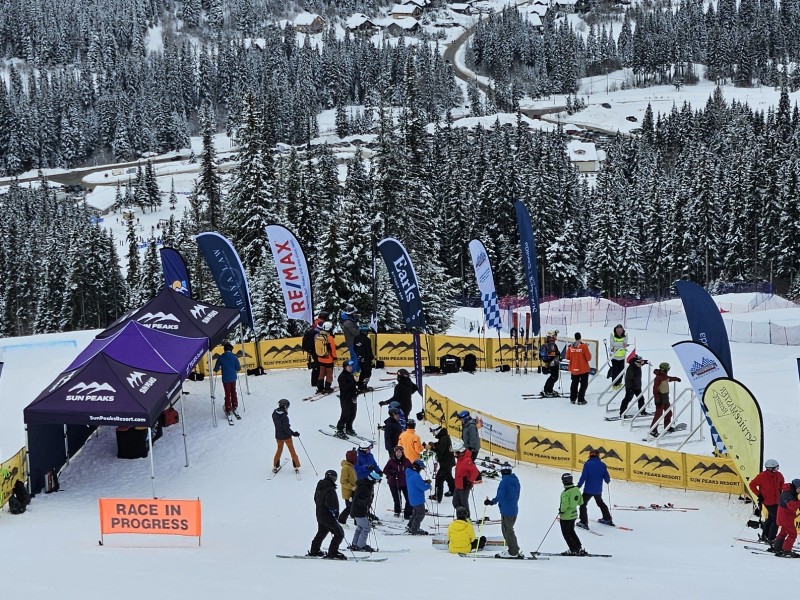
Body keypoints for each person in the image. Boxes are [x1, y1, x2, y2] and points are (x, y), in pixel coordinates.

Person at [485, 463, 522, 558]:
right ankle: (513, 549)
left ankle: (513, 552)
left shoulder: (505, 481)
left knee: (507, 531)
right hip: (513, 509)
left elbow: (500, 496)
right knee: (508, 530)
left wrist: (491, 502)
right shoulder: (515, 480)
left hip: (506, 510)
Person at [308, 470, 347, 560]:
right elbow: (330, 502)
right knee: (339, 533)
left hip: (320, 514)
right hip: (328, 516)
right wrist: (333, 511)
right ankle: (332, 553)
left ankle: (315, 550)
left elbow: (315, 499)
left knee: (321, 533)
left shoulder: (320, 487)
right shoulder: (330, 489)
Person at [749, 459, 784, 544]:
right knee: (776, 519)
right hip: (768, 501)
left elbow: (782, 484)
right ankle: (771, 538)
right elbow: (752, 485)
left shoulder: (779, 475)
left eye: (777, 468)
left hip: (777, 500)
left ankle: (765, 536)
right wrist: (759, 494)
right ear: (769, 468)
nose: (777, 470)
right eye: (775, 468)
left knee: (771, 519)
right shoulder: (762, 476)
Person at [577, 450, 613, 529]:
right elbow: (606, 477)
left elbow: (584, 476)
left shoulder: (587, 464)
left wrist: (579, 485)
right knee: (600, 502)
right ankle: (607, 518)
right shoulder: (602, 465)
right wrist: (607, 480)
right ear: (598, 456)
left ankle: (583, 522)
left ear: (590, 456)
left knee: (583, 504)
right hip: (598, 490)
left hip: (588, 490)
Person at [349, 470, 382, 552]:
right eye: (376, 481)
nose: (376, 483)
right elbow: (357, 499)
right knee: (366, 528)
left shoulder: (365, 485)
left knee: (360, 527)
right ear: (372, 480)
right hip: (359, 511)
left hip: (358, 510)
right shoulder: (365, 487)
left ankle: (355, 544)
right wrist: (365, 502)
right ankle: (361, 545)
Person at [650, 362, 681, 437]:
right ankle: (653, 430)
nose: (668, 369)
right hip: (660, 399)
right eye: (668, 368)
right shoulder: (658, 378)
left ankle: (667, 427)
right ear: (665, 369)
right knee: (658, 415)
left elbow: (669, 378)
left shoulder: (664, 376)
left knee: (669, 413)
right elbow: (655, 390)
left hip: (665, 398)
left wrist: (676, 379)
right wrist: (657, 399)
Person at [452, 440, 482, 519]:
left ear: (460, 452)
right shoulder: (460, 458)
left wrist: (470, 481)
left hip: (464, 486)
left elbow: (475, 472)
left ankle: (467, 518)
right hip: (458, 484)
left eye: (455, 452)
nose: (454, 454)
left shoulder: (467, 460)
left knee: (464, 503)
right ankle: (460, 516)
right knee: (455, 502)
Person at [559, 472, 586, 556]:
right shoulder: (576, 490)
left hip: (566, 516)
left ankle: (573, 549)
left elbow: (564, 505)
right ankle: (578, 547)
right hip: (574, 515)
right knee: (572, 531)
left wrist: (561, 511)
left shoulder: (565, 493)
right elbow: (581, 502)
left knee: (566, 533)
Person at [772, 478, 800, 557]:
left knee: (783, 532)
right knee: (793, 534)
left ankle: (777, 547)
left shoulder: (791, 491)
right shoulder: (787, 494)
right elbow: (791, 505)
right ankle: (786, 550)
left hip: (786, 517)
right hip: (785, 518)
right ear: (795, 487)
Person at [272, 399, 301, 473]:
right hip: (286, 436)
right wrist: (293, 433)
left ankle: (275, 465)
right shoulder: (284, 417)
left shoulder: (274, 413)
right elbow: (286, 428)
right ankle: (296, 465)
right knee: (292, 450)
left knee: (279, 450)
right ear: (286, 407)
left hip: (278, 436)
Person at [428, 425, 455, 502]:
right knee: (448, 476)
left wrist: (431, 448)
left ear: (437, 431)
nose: (433, 434)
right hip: (448, 462)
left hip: (446, 463)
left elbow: (440, 451)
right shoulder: (444, 437)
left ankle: (437, 496)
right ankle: (453, 490)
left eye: (433, 432)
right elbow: (441, 446)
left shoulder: (443, 438)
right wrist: (434, 444)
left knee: (439, 479)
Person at [383, 445, 412, 518]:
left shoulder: (407, 461)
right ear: (395, 453)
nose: (398, 454)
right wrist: (391, 473)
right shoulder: (391, 461)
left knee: (409, 498)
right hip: (394, 483)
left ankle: (408, 513)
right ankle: (397, 511)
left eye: (400, 452)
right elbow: (385, 470)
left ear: (402, 453)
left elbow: (411, 469)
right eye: (397, 452)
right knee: (397, 499)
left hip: (405, 483)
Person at [213, 342, 241, 417]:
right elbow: (238, 368)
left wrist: (216, 369)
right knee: (233, 391)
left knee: (227, 393)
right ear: (231, 349)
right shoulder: (234, 357)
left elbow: (216, 368)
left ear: (224, 349)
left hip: (225, 379)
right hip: (233, 378)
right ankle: (235, 405)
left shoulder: (221, 357)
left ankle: (228, 407)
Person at [303, 310, 330, 388]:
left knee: (317, 365)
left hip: (313, 348)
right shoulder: (319, 326)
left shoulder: (316, 323)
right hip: (316, 349)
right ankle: (315, 381)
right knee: (317, 365)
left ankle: (316, 381)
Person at [405, 459, 432, 535]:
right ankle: (415, 529)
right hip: (418, 498)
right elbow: (422, 487)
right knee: (421, 513)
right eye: (421, 468)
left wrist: (424, 481)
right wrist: (428, 485)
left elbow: (417, 483)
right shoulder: (416, 475)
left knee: (416, 512)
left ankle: (410, 525)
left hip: (413, 497)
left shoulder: (409, 473)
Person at [565, 333, 592, 405]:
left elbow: (567, 357)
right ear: (580, 338)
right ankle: (581, 399)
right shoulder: (584, 346)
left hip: (574, 368)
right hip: (583, 369)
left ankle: (573, 399)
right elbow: (589, 358)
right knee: (583, 384)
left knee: (574, 383)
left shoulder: (570, 347)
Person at [335, 360, 358, 438]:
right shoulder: (342, 376)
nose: (350, 368)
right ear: (345, 367)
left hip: (353, 397)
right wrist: (354, 381)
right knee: (345, 415)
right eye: (349, 367)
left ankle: (349, 427)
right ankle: (340, 429)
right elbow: (345, 387)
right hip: (345, 398)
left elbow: (354, 386)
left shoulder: (351, 374)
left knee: (353, 414)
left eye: (351, 367)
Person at [315, 321, 336, 394]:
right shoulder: (329, 337)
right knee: (329, 374)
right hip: (328, 359)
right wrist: (335, 357)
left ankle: (320, 388)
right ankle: (327, 388)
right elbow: (333, 349)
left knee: (321, 374)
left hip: (320, 358)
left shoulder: (318, 336)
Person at [338, 450, 357, 525]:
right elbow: (343, 481)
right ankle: (341, 521)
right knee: (350, 508)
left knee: (354, 507)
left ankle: (357, 522)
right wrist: (352, 487)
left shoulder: (351, 467)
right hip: (348, 493)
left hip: (354, 491)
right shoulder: (346, 468)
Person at [340, 305, 361, 374]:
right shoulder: (348, 323)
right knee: (354, 358)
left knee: (354, 357)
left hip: (352, 342)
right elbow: (355, 332)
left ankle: (356, 371)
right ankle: (353, 372)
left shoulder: (348, 320)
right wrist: (359, 328)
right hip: (352, 342)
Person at [540, 330, 561, 397]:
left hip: (551, 363)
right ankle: (548, 390)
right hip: (553, 364)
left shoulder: (548, 343)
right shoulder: (552, 344)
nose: (556, 337)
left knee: (553, 376)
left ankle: (547, 389)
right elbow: (552, 355)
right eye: (555, 335)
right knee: (554, 377)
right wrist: (557, 354)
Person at [354, 326, 375, 391]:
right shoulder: (367, 340)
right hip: (366, 359)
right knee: (367, 372)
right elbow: (368, 350)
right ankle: (362, 386)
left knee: (361, 372)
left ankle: (359, 384)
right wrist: (371, 358)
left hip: (358, 358)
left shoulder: (356, 338)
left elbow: (354, 348)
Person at [608, 324, 628, 389]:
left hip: (622, 356)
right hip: (614, 356)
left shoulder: (625, 334)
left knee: (621, 370)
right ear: (615, 330)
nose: (619, 332)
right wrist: (621, 344)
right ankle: (614, 384)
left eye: (620, 331)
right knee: (615, 371)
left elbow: (625, 343)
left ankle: (619, 382)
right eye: (617, 331)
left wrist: (617, 345)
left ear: (622, 330)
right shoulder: (612, 334)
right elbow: (612, 343)